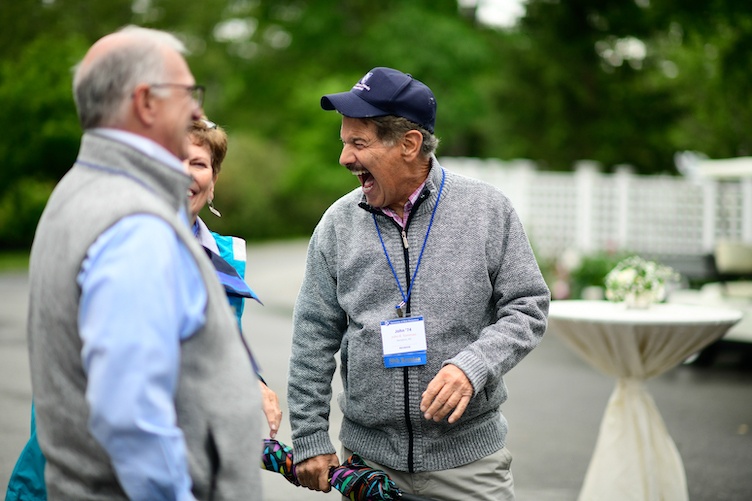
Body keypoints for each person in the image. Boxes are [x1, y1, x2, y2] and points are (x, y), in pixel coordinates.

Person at [287, 67, 550, 501]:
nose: (345, 158)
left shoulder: (486, 209)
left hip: (469, 466)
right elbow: (312, 337)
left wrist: (474, 364)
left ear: (409, 144)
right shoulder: (337, 223)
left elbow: (528, 306)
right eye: (344, 143)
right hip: (368, 467)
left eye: (359, 143)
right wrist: (311, 436)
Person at [23, 26, 262, 501]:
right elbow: (130, 415)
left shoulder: (79, 188)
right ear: (146, 102)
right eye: (187, 92)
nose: (197, 110)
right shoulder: (136, 223)